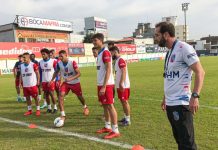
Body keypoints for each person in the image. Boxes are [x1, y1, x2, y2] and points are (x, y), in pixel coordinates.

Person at [154, 22, 205, 150]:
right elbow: (169, 77)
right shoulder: (169, 52)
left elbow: (200, 72)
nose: (156, 38)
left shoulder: (184, 48)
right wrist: (165, 97)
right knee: (180, 141)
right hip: (170, 104)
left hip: (181, 104)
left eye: (157, 35)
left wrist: (195, 96)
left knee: (187, 144)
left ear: (166, 35)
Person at [92, 33, 120, 139]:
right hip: (101, 84)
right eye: (93, 41)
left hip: (107, 84)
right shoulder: (99, 53)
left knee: (110, 105)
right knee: (104, 105)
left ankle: (115, 130)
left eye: (95, 40)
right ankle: (107, 126)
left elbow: (109, 69)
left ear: (101, 40)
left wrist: (104, 86)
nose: (94, 42)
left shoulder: (106, 52)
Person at [50, 50, 89, 122]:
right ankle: (63, 115)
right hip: (66, 83)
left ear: (66, 55)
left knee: (80, 96)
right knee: (60, 96)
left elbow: (79, 74)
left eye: (62, 56)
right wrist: (52, 80)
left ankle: (85, 107)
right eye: (59, 56)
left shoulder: (72, 62)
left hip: (75, 82)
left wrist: (70, 78)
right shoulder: (59, 63)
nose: (60, 57)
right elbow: (56, 72)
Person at [109, 46, 131, 126]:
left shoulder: (121, 60)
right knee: (122, 101)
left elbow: (124, 71)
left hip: (123, 85)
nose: (111, 55)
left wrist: (121, 83)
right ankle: (125, 117)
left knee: (124, 101)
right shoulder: (117, 60)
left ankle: (128, 120)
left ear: (115, 51)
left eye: (111, 53)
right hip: (120, 85)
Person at [39, 48, 58, 114]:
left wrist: (55, 80)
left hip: (51, 80)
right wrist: (40, 81)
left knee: (52, 94)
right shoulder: (40, 62)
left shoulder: (53, 61)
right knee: (46, 94)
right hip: (44, 81)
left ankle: (55, 107)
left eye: (44, 54)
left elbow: (57, 71)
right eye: (42, 54)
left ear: (47, 54)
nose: (43, 55)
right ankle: (49, 108)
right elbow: (41, 73)